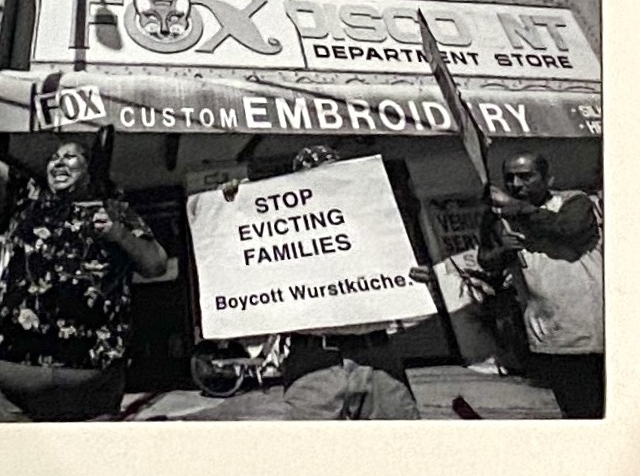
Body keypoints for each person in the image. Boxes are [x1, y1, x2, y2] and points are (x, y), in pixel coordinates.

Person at [0, 57, 168, 421]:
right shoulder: (27, 196)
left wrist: (118, 234)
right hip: (14, 377)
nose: (58, 162)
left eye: (70, 157)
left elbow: (156, 264)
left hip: (89, 382)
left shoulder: (115, 209)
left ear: (89, 171)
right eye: (54, 158)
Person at [221, 145, 427, 420]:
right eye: (311, 178)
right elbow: (242, 260)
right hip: (312, 361)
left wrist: (417, 277)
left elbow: (401, 266)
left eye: (332, 173)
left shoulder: (370, 221)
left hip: (377, 355)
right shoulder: (280, 232)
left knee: (403, 449)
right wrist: (234, 205)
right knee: (312, 455)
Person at [478, 152, 604, 418]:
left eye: (526, 176)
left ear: (549, 179)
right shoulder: (498, 218)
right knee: (578, 409)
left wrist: (519, 209)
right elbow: (486, 262)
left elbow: (568, 229)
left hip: (594, 325)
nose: (516, 184)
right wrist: (502, 251)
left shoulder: (574, 201)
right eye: (510, 178)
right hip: (549, 331)